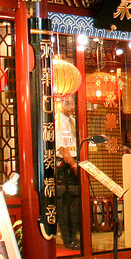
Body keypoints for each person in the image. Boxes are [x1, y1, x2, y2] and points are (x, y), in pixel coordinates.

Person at [55, 98, 81, 250]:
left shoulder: (72, 120)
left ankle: (76, 236)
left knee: (75, 205)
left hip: (75, 162)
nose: (71, 106)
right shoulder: (59, 121)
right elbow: (63, 150)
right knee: (66, 206)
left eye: (72, 103)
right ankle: (68, 239)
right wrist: (74, 166)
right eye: (67, 103)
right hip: (65, 167)